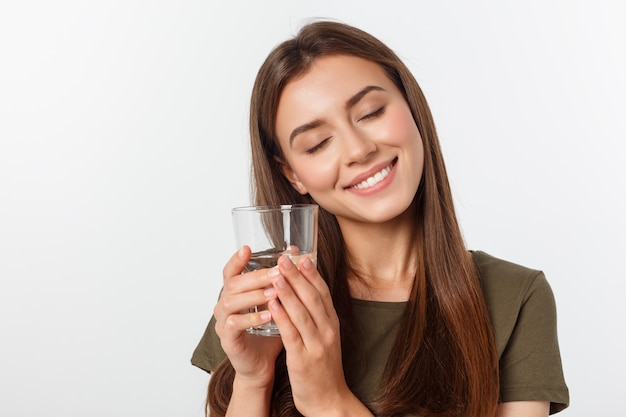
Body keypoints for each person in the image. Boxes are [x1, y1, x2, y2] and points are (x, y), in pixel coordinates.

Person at [191, 20, 569, 417]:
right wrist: (254, 380)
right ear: (293, 175)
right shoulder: (267, 293)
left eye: (370, 112)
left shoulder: (514, 297)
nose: (358, 149)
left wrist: (329, 401)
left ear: (411, 105)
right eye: (318, 143)